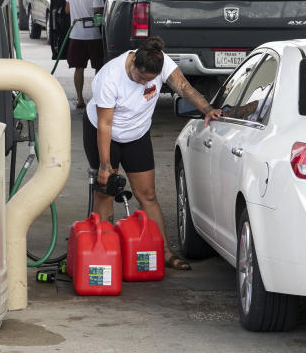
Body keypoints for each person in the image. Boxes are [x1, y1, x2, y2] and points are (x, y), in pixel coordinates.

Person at [84, 37, 221, 271]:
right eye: (140, 77)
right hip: (104, 133)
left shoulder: (160, 63)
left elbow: (184, 88)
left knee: (147, 194)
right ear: (133, 64)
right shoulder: (109, 77)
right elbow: (105, 125)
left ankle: (165, 252)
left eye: (148, 80)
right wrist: (105, 164)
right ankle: (104, 253)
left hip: (137, 133)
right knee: (106, 192)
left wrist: (207, 109)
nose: (142, 83)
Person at [65, 0, 104, 108]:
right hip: (93, 35)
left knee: (79, 68)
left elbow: (67, 10)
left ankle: (80, 99)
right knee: (99, 68)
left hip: (76, 34)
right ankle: (98, 99)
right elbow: (98, 12)